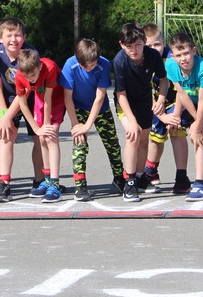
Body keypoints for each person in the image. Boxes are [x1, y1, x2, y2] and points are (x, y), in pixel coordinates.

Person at [61, 38, 125, 202]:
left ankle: (119, 177)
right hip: (79, 108)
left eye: (92, 65)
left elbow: (99, 97)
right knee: (79, 145)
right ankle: (80, 186)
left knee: (112, 144)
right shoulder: (69, 65)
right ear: (78, 60)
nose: (90, 68)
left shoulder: (104, 64)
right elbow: (67, 97)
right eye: (85, 66)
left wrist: (88, 125)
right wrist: (76, 124)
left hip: (100, 109)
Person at [165, 32, 203, 201]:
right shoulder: (170, 65)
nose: (183, 58)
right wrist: (176, 115)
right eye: (178, 55)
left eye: (186, 53)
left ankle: (200, 185)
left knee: (198, 135)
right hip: (191, 99)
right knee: (197, 133)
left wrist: (197, 125)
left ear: (194, 50)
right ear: (172, 56)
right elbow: (181, 94)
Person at [0, 17, 46, 203]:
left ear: (25, 37)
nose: (13, 39)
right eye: (9, 35)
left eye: (17, 35)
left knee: (39, 138)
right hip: (7, 100)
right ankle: (4, 183)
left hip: (31, 98)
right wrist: (3, 115)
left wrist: (8, 116)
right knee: (5, 136)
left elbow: (25, 91)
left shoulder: (31, 53)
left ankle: (40, 181)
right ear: (0, 37)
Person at [113, 22, 169, 203]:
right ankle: (129, 182)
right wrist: (131, 120)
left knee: (144, 140)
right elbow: (120, 94)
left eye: (138, 45)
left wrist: (160, 99)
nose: (134, 50)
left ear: (144, 41)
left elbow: (163, 80)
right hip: (125, 103)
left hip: (145, 101)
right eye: (129, 46)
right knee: (133, 136)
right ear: (122, 45)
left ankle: (139, 177)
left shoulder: (153, 55)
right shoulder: (119, 61)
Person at [11, 50, 67, 202]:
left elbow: (49, 97)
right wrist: (36, 129)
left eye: (33, 75)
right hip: (40, 100)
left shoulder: (49, 67)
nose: (30, 79)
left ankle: (55, 185)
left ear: (39, 67)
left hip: (56, 99)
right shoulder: (20, 75)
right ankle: (47, 180)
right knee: (41, 138)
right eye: (27, 76)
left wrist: (47, 125)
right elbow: (22, 103)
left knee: (50, 137)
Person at [141, 24, 191, 195]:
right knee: (156, 137)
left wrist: (175, 114)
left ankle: (182, 176)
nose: (153, 48)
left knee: (176, 129)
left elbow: (182, 90)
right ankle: (150, 170)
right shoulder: (142, 59)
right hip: (155, 102)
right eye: (149, 45)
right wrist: (161, 115)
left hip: (178, 100)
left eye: (157, 44)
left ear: (163, 42)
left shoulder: (173, 58)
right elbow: (143, 91)